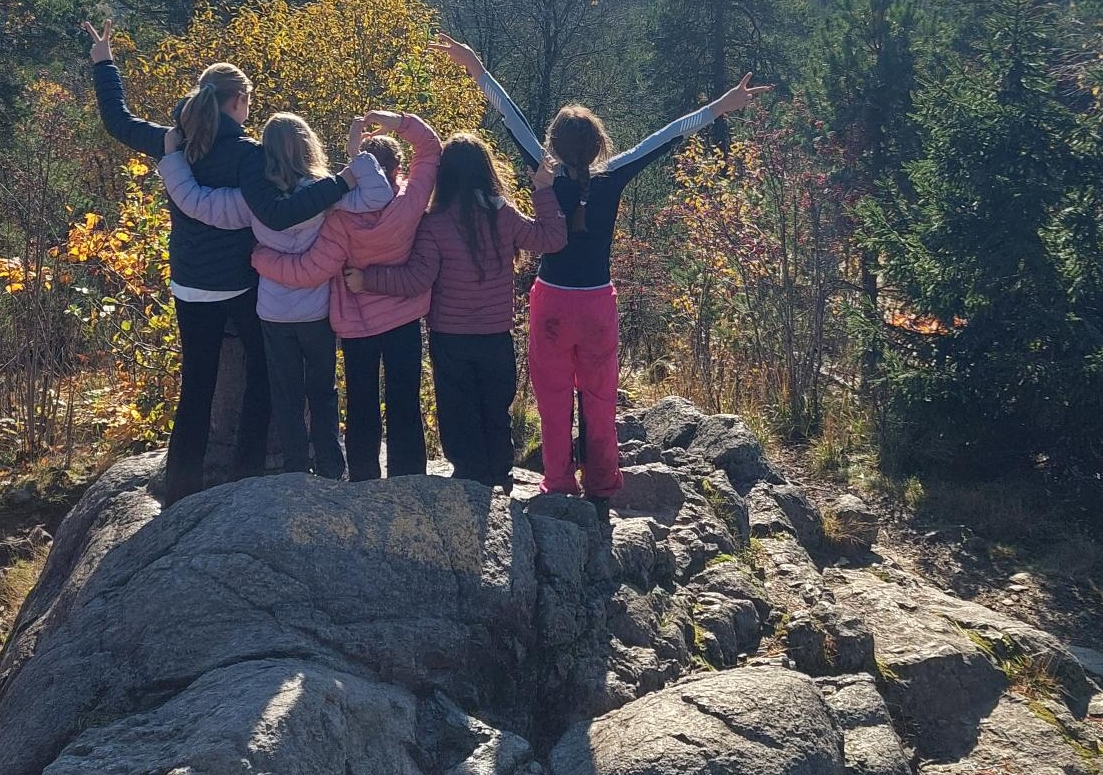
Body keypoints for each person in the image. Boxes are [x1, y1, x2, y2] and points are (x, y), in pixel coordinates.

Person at [435, 36, 770, 502]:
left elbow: (510, 118)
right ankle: (604, 484)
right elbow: (670, 133)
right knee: (598, 398)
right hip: (596, 303)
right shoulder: (613, 175)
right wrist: (722, 106)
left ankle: (557, 481)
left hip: (551, 301)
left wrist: (477, 69)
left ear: (553, 143)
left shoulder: (544, 169)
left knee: (552, 401)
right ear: (597, 145)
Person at [85, 22, 357, 501]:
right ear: (239, 101)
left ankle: (182, 488)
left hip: (189, 283)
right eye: (248, 100)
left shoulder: (177, 143)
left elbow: (118, 122)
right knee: (262, 378)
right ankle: (244, 478)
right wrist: (340, 184)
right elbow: (274, 211)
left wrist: (104, 62)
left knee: (196, 387)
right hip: (237, 284)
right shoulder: (247, 154)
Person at [155, 111, 393, 479]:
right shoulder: (326, 193)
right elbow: (379, 194)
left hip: (273, 312)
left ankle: (294, 469)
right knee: (323, 391)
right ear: (308, 145)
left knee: (285, 394)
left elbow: (197, 202)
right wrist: (357, 152)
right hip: (316, 311)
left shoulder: (254, 200)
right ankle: (330, 465)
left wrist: (171, 159)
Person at [348, 133, 565, 490]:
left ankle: (469, 477)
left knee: (458, 411)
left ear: (443, 176)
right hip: (495, 337)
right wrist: (543, 190)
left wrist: (368, 279)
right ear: (486, 171)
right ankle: (500, 476)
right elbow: (552, 239)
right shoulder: (503, 214)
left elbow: (418, 279)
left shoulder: (434, 223)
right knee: (496, 410)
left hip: (450, 337)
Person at [242, 111, 443, 482]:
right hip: (403, 319)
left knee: (361, 404)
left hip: (356, 325)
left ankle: (363, 476)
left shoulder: (338, 216)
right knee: (405, 400)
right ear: (398, 166)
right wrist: (396, 120)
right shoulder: (411, 204)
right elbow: (430, 148)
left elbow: (312, 270)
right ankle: (409, 476)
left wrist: (261, 258)